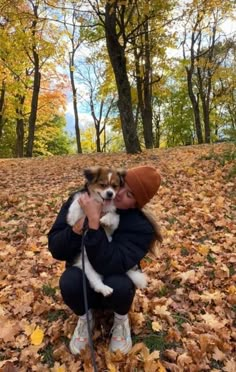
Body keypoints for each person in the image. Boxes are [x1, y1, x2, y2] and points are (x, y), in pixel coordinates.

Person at [48, 165, 162, 355]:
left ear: (136, 205)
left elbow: (109, 263)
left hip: (113, 282)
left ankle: (120, 321)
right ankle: (85, 318)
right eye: (121, 186)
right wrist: (76, 229)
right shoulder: (81, 199)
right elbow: (56, 248)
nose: (117, 194)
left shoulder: (140, 226)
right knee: (69, 282)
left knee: (119, 284)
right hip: (84, 276)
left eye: (129, 195)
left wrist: (93, 224)